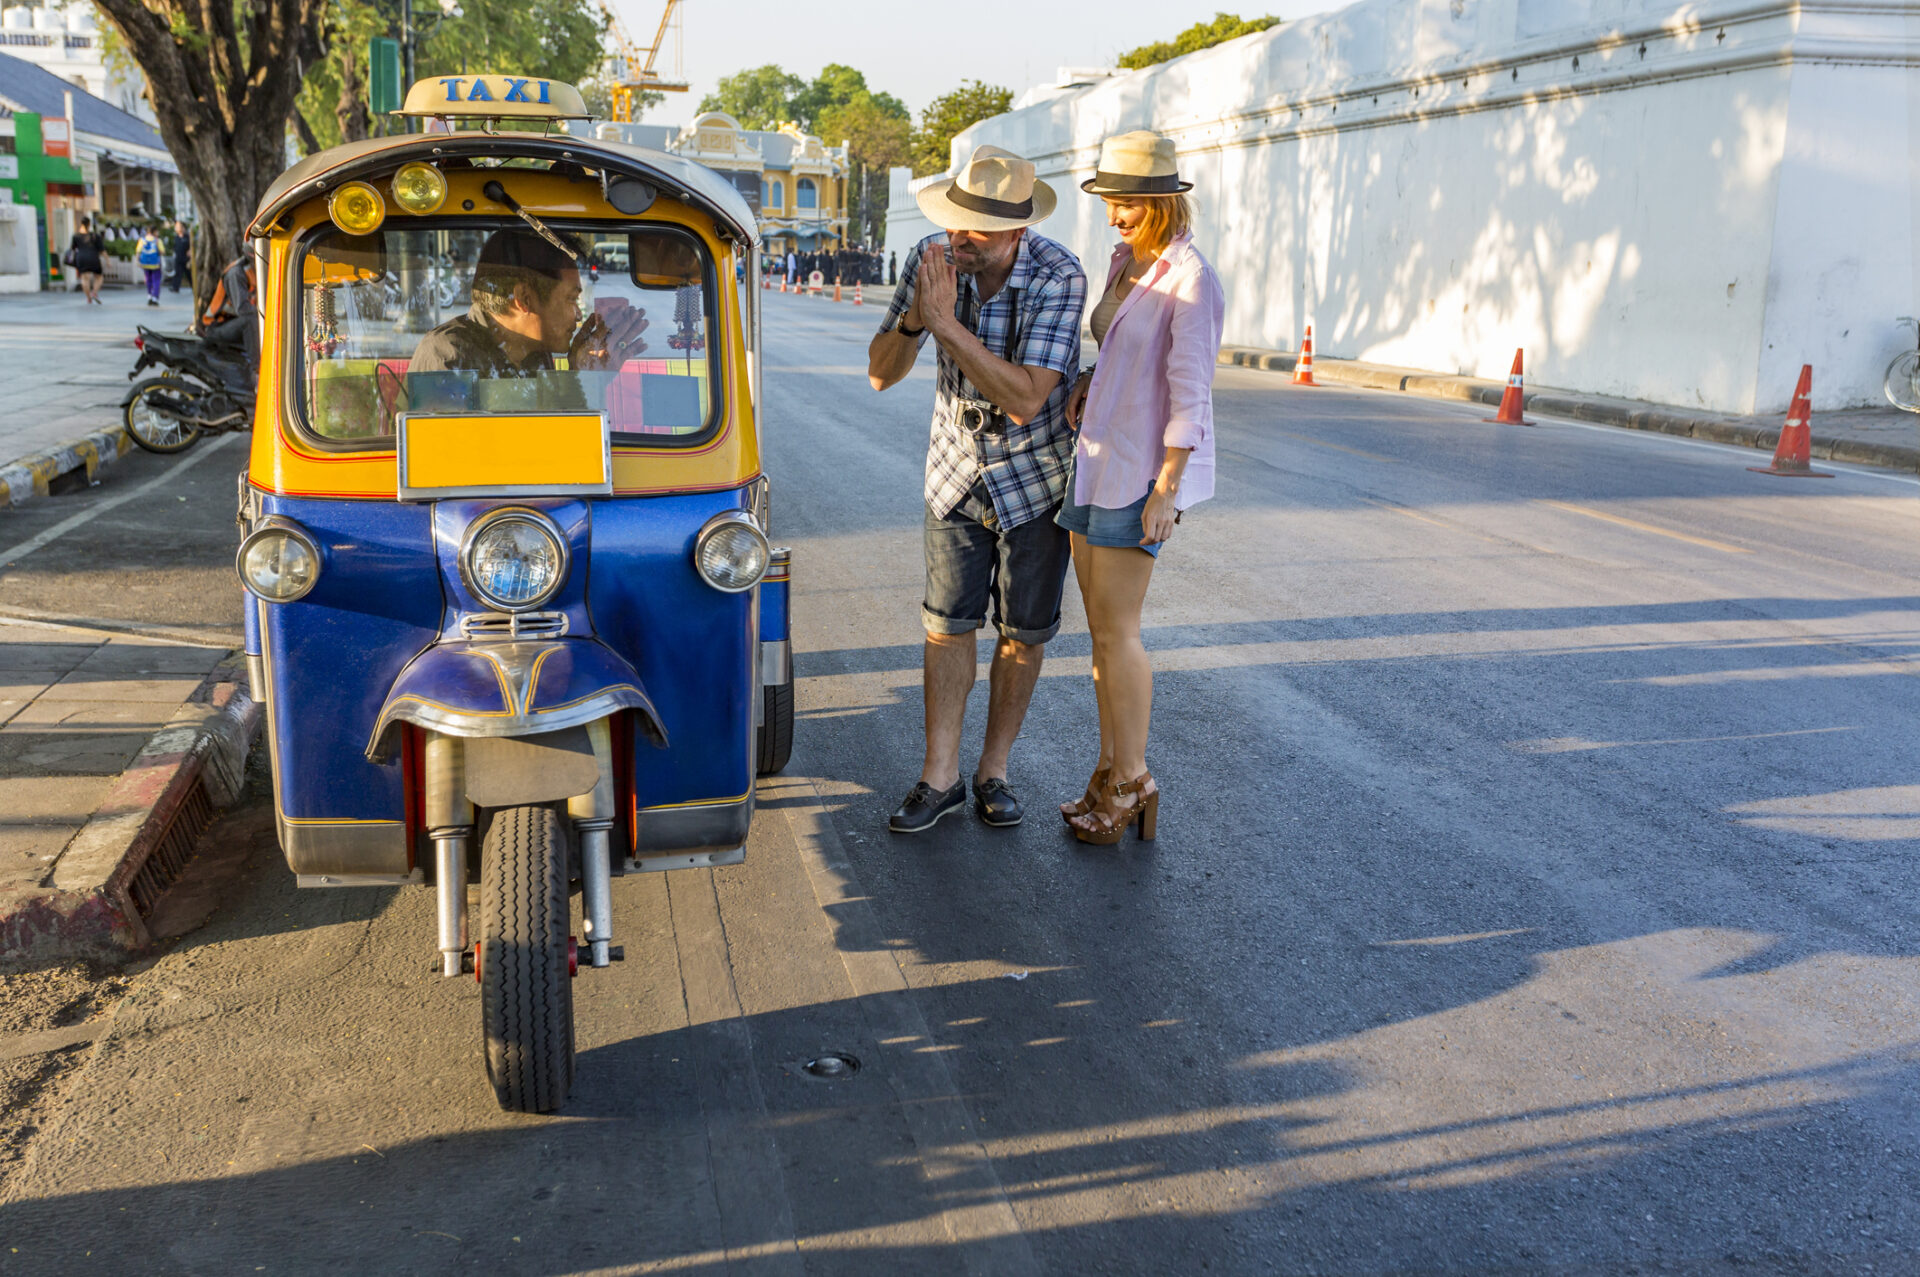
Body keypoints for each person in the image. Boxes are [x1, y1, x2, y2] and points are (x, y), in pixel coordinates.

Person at [867, 144, 1087, 833]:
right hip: (954, 471)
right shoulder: (932, 261)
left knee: (1023, 633)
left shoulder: (1060, 277)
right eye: (955, 219)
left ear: (1018, 231)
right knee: (946, 625)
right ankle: (940, 775)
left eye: (978, 228)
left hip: (1035, 478)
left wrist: (947, 327)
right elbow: (880, 372)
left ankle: (993, 769)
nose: (959, 235)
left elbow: (1025, 400)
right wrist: (913, 320)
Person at [1056, 131, 1224, 845]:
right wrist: (1095, 381)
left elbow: (1192, 393)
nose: (1114, 214)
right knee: (1098, 633)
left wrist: (1168, 488)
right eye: (1108, 200)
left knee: (1120, 633)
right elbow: (1123, 351)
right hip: (1096, 461)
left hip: (1137, 478)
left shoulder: (1191, 278)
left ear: (1160, 200)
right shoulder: (1127, 262)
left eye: (1126, 202)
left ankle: (1134, 780)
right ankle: (1108, 766)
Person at [410, 229, 648, 377]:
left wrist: (582, 374)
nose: (578, 315)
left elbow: (557, 439)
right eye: (572, 299)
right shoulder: (449, 355)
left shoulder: (533, 352)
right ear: (524, 299)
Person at [201, 253, 260, 368]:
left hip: (231, 322)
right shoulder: (236, 274)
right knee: (250, 319)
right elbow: (243, 309)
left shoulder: (254, 270)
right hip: (217, 326)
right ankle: (258, 368)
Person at [67, 218, 104, 304]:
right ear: (89, 224)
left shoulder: (76, 236)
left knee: (84, 278)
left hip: (81, 258)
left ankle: (88, 298)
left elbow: (72, 248)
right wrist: (107, 260)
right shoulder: (95, 236)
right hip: (93, 258)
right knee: (99, 277)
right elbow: (102, 250)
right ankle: (94, 293)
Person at [136, 226, 165, 306]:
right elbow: (162, 252)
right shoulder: (157, 240)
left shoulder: (142, 240)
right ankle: (155, 298)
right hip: (155, 264)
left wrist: (137, 261)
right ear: (154, 232)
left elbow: (138, 251)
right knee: (156, 280)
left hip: (145, 264)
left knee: (148, 280)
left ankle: (149, 296)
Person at [167, 220, 191, 293]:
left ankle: (195, 287)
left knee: (189, 274)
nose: (176, 228)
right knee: (177, 273)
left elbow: (192, 246)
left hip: (186, 259)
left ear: (183, 227)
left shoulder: (188, 237)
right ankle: (175, 287)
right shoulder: (176, 237)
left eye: (178, 226)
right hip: (178, 258)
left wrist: (190, 252)